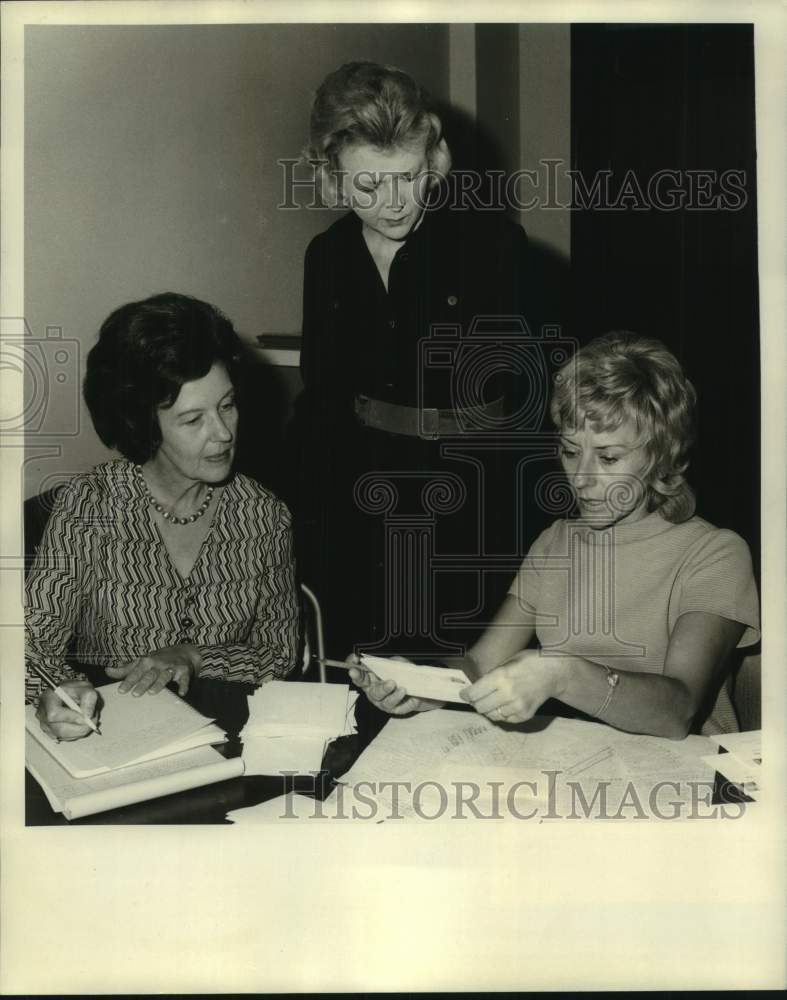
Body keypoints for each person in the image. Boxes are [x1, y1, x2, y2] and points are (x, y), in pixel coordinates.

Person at [351, 332, 760, 738]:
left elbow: (677, 711)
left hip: (682, 781)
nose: (581, 478)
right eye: (569, 451)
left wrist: (563, 673)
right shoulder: (556, 541)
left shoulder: (715, 554)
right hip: (572, 763)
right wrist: (421, 685)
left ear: (663, 456)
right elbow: (480, 664)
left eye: (608, 457)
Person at [289, 60, 544, 665]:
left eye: (407, 178)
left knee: (460, 692)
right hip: (360, 503)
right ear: (331, 176)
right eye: (367, 186)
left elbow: (538, 404)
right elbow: (321, 400)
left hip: (474, 501)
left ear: (433, 161)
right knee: (365, 677)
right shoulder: (326, 258)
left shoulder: (496, 249)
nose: (394, 204)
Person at [26, 292, 300, 741]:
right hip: (114, 738)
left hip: (229, 737)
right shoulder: (90, 507)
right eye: (193, 420)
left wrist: (194, 657)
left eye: (227, 405)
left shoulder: (265, 515)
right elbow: (29, 645)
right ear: (141, 425)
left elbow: (279, 653)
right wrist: (57, 693)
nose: (224, 432)